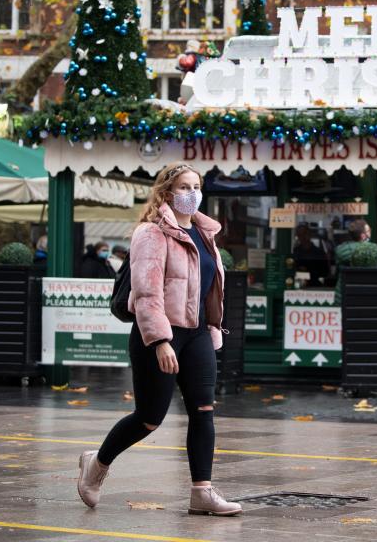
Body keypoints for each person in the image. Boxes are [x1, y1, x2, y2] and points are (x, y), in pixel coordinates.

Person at [77, 162, 240, 516]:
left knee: (204, 412)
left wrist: (213, 328)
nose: (191, 194)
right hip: (161, 335)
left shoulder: (205, 233)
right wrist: (160, 341)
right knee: (150, 418)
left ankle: (202, 492)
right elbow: (147, 294)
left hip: (197, 334)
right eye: (183, 187)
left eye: (196, 186)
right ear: (166, 192)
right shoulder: (151, 234)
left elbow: (211, 288)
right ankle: (97, 464)